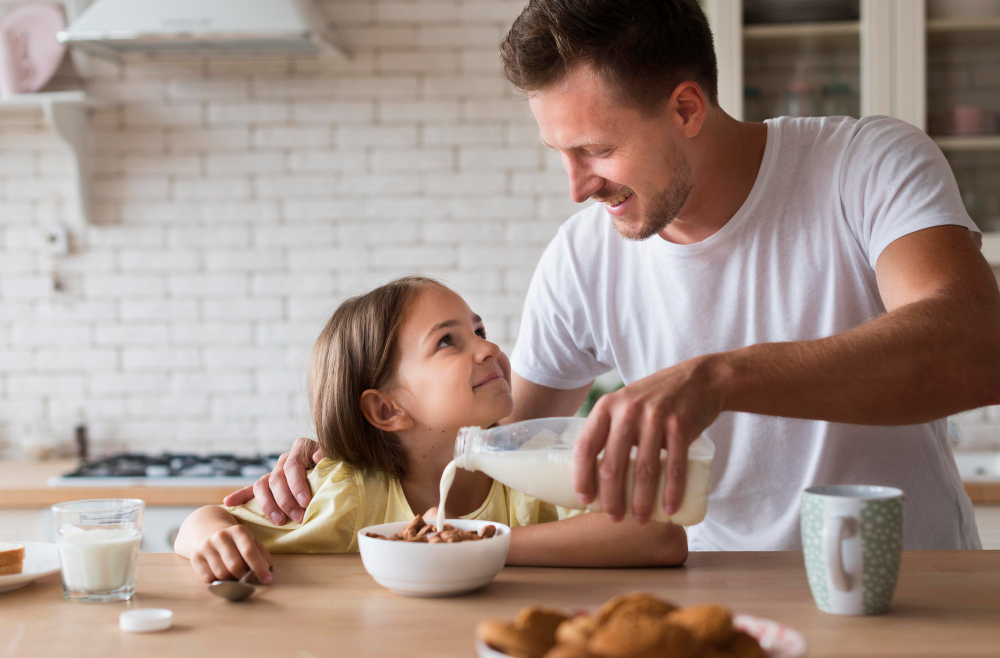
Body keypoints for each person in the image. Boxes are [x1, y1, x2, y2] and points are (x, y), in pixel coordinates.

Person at [227, 0, 998, 551]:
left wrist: (717, 378)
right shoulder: (583, 258)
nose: (577, 187)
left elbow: (977, 346)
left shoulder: (866, 164)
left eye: (596, 150)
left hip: (913, 589)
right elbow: (493, 445)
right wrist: (351, 454)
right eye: (559, 154)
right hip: (714, 606)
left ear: (687, 108)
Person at [176, 277, 687, 583]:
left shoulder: (531, 466)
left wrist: (476, 544)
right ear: (387, 409)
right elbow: (201, 524)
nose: (489, 348)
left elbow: (662, 538)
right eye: (448, 341)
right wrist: (212, 535)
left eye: (479, 331)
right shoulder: (350, 495)